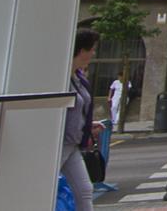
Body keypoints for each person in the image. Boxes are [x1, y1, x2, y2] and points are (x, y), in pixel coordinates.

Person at [62, 29, 104, 211]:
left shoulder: (78, 77)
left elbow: (80, 108)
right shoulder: (61, 76)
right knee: (44, 185)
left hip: (73, 143)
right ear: (81, 50)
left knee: (85, 189)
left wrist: (87, 125)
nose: (94, 53)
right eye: (92, 49)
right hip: (60, 143)